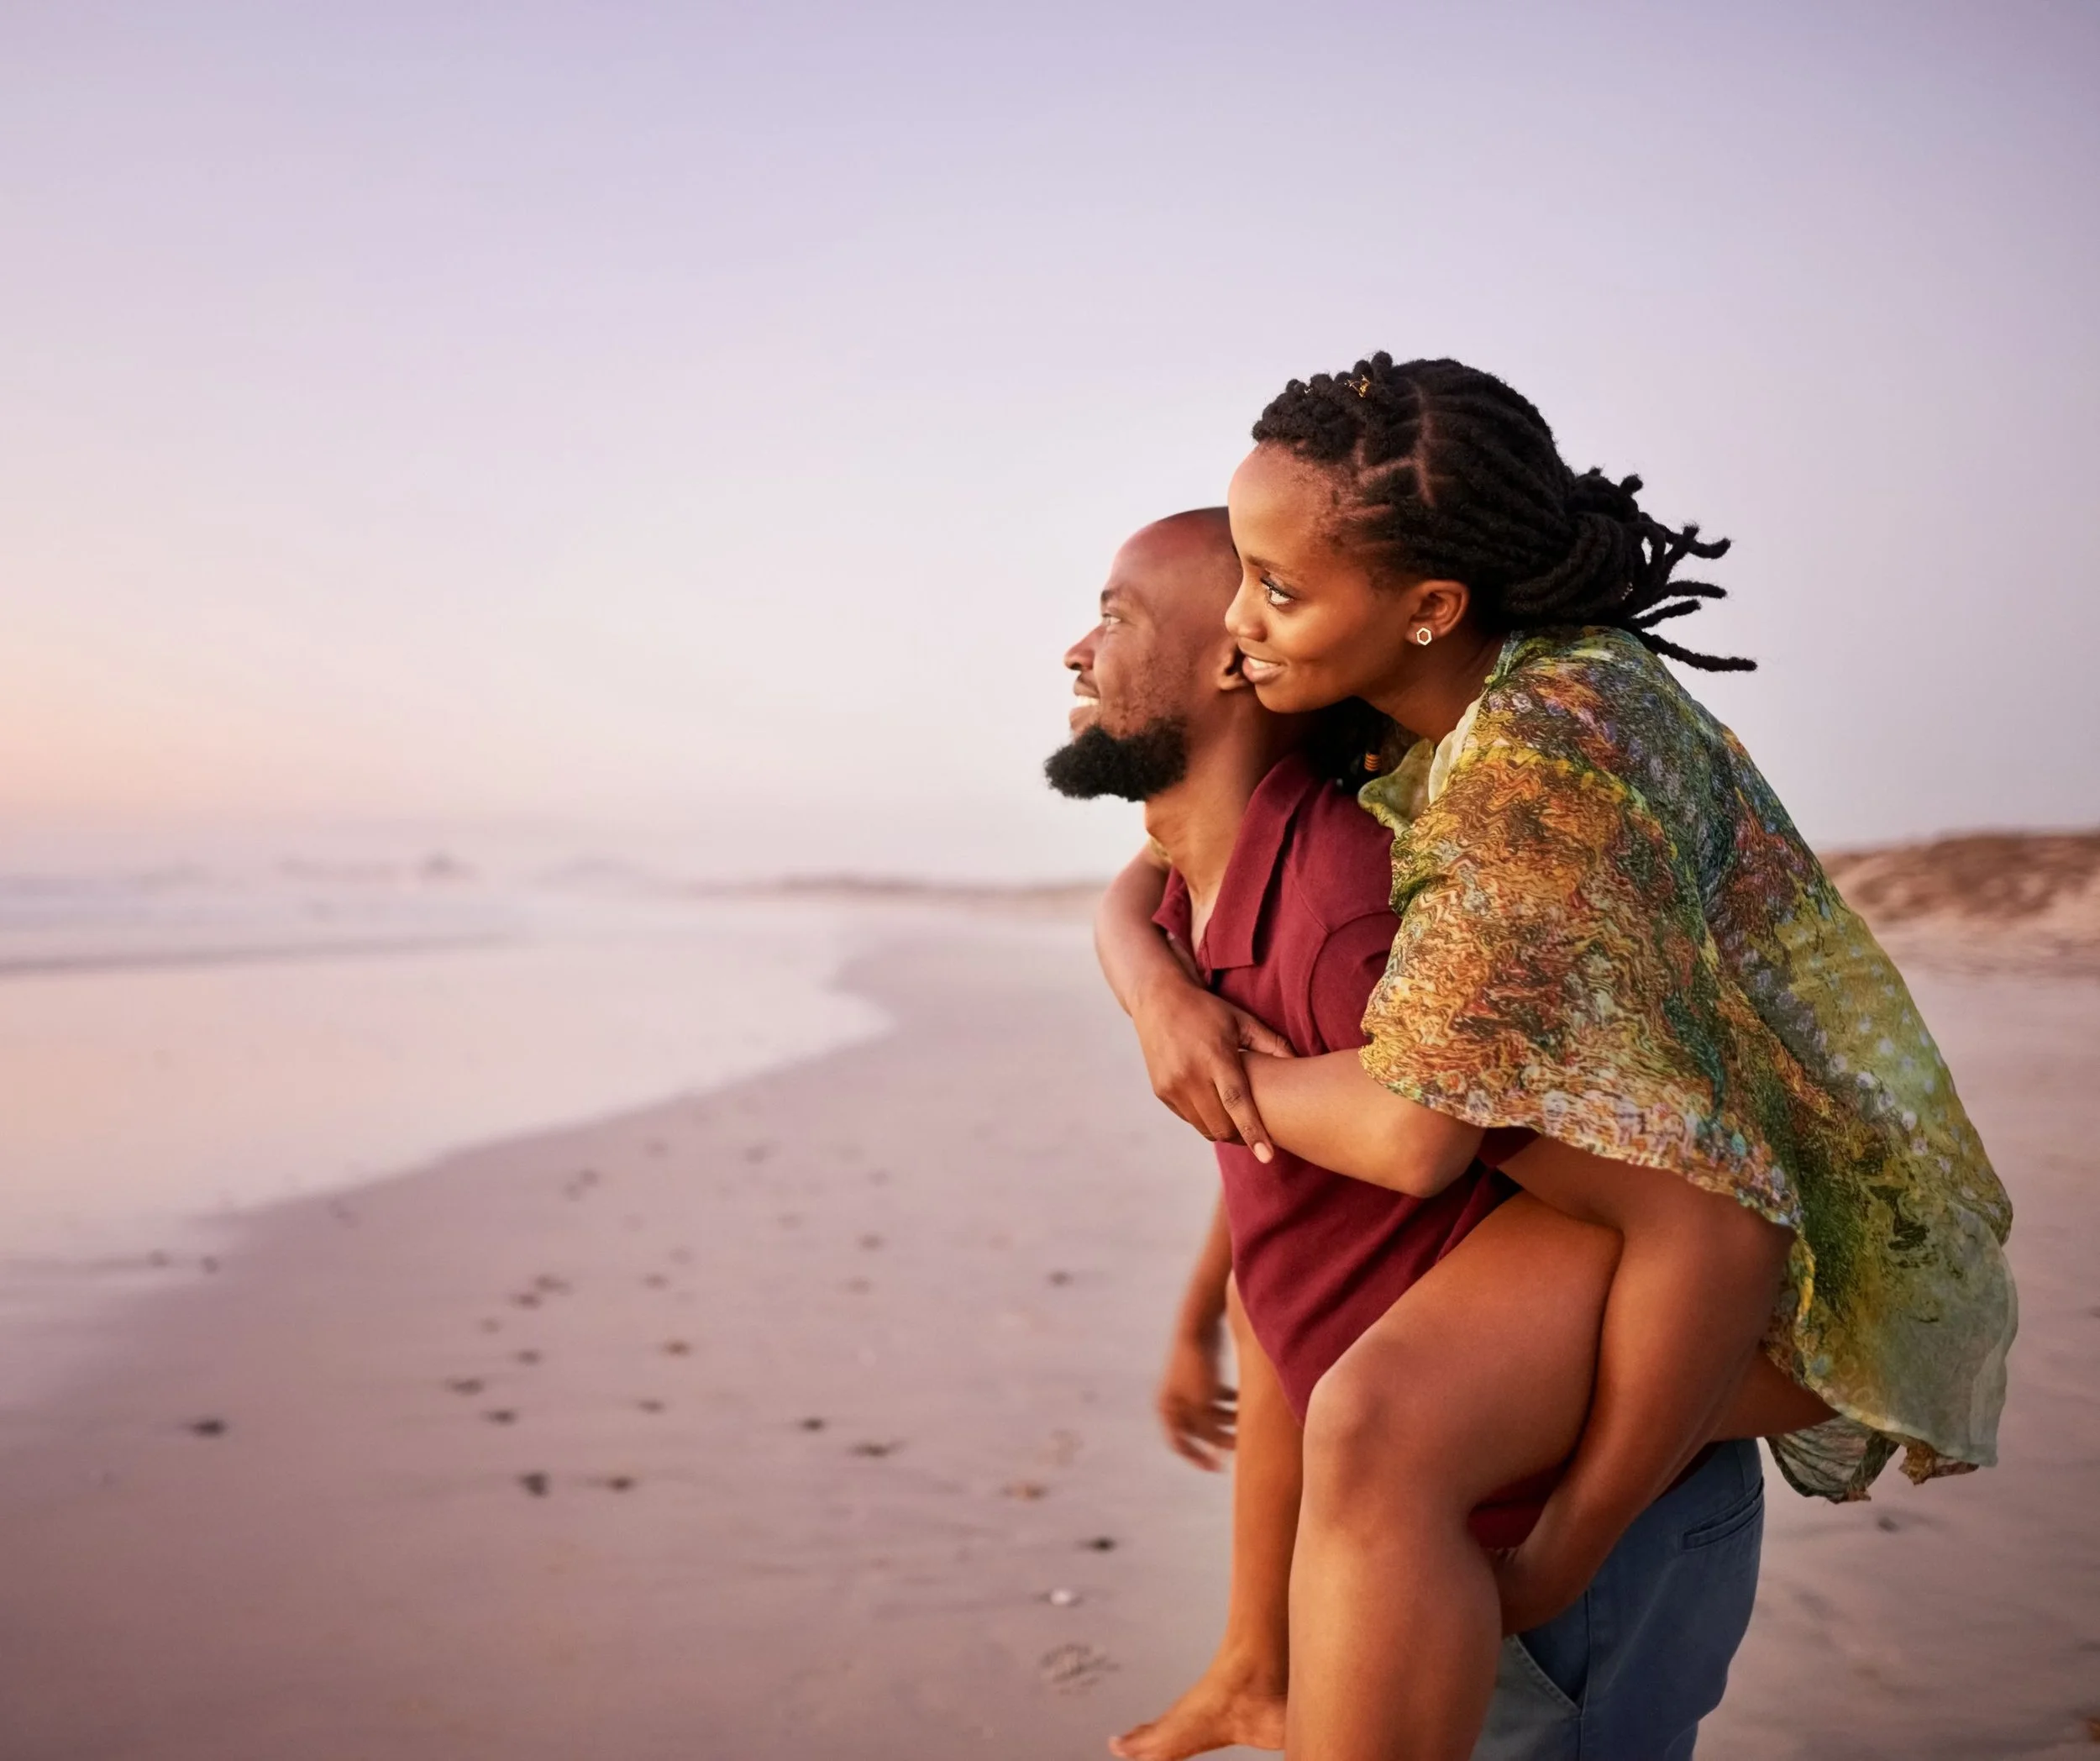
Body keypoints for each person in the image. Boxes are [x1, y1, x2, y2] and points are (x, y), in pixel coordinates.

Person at [1095, 358, 2018, 1760]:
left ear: (1431, 608)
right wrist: (1156, 987)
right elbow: (1153, 865)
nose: (1237, 627)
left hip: (1811, 1243)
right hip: (1667, 1222)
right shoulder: (1436, 710)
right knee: (1372, 1419)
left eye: (1275, 590)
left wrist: (1570, 1545)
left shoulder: (1543, 768)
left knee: (1382, 1422)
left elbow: (1660, 1204)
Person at [1049, 510, 1822, 1761]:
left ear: (1236, 660)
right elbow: (1285, 1165)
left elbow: (1689, 1203)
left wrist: (1565, 1543)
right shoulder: (1210, 875)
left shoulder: (1354, 912)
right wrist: (1210, 1291)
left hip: (1545, 1550)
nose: (1075, 652)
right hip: (1432, 1532)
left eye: (1116, 614)